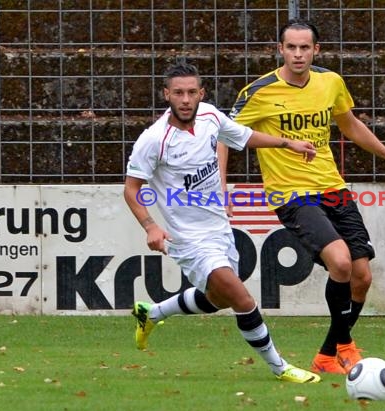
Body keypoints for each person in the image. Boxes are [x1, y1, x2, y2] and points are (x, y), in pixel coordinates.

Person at [226, 19, 385, 375]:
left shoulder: (330, 82)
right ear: (280, 50)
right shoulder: (259, 92)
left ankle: (326, 355)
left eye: (305, 47)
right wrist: (219, 186)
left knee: (362, 277)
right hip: (292, 195)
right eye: (291, 47)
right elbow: (225, 135)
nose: (298, 54)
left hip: (332, 187)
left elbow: (350, 125)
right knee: (341, 262)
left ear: (316, 49)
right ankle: (346, 346)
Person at [124, 62, 320, 384]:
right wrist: (150, 226)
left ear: (201, 93)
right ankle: (280, 367)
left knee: (216, 300)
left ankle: (152, 313)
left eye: (191, 92)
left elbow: (244, 136)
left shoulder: (211, 117)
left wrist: (288, 143)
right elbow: (131, 189)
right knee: (242, 300)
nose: (185, 99)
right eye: (178, 93)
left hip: (220, 229)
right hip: (189, 240)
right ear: (166, 95)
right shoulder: (154, 140)